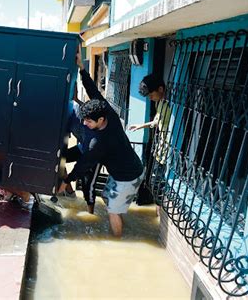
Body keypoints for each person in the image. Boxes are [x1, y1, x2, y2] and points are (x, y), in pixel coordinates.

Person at [58, 48, 144, 237]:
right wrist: (81, 67)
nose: (85, 124)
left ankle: (118, 241)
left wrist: (67, 180)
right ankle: (121, 222)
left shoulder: (99, 142)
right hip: (126, 170)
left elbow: (83, 164)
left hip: (128, 176)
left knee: (112, 210)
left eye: (88, 121)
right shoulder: (107, 113)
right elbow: (92, 90)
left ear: (100, 120)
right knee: (107, 197)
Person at [128, 74, 171, 212]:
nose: (150, 98)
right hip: (159, 151)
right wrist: (141, 126)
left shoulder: (171, 105)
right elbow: (157, 122)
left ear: (160, 89)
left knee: (158, 184)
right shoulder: (159, 103)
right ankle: (158, 214)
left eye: (151, 94)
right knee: (155, 184)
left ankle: (160, 215)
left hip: (168, 153)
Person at [60, 88, 99, 214]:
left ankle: (90, 215)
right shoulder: (65, 113)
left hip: (93, 154)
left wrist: (76, 99)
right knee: (59, 159)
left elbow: (91, 110)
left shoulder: (79, 109)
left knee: (88, 186)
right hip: (82, 148)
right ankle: (70, 192)